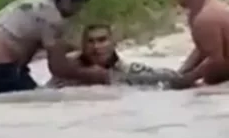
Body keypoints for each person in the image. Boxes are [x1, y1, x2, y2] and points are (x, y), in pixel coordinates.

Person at [46, 24, 179, 88]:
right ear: (82, 45)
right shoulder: (68, 69)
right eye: (90, 41)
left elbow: (170, 77)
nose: (96, 47)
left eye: (102, 40)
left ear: (113, 43)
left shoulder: (127, 70)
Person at [169, 0, 229, 89]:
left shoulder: (205, 19)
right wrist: (181, 72)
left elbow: (216, 60)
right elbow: (203, 49)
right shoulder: (199, 13)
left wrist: (188, 79)